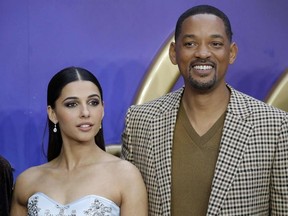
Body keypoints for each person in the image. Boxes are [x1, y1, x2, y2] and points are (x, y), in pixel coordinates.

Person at [121, 4, 288, 216]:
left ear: (231, 52)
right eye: (190, 43)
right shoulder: (140, 122)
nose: (202, 53)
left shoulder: (274, 126)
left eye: (215, 44)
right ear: (174, 52)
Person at [10, 66, 148, 216]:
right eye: (72, 104)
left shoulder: (126, 176)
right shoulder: (27, 181)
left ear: (103, 109)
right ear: (52, 113)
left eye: (93, 102)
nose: (85, 112)